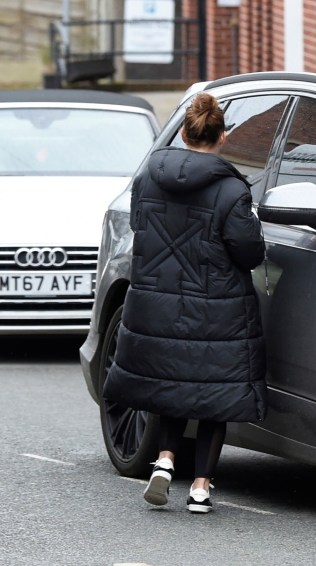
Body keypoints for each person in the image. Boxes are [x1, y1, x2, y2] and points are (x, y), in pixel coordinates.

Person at [102, 92, 267, 514]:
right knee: (214, 396)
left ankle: (165, 461)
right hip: (217, 306)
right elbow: (247, 253)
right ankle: (200, 487)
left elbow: (142, 230)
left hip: (157, 302)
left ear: (182, 131)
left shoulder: (146, 179)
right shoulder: (231, 190)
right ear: (223, 137)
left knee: (172, 386)